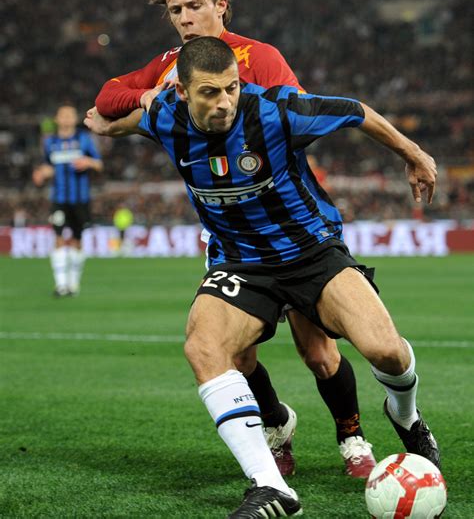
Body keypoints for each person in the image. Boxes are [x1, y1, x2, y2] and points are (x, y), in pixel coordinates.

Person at [85, 36, 440, 517]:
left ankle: (407, 418)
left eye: (231, 88)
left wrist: (413, 154)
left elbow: (356, 111)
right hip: (242, 263)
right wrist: (106, 126)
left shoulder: (276, 110)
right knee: (203, 346)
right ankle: (271, 486)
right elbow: (120, 117)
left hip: (312, 252)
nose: (225, 102)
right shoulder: (164, 116)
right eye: (210, 92)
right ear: (182, 93)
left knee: (386, 351)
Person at [92, 0, 375, 478]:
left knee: (318, 353)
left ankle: (352, 437)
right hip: (230, 239)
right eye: (175, 10)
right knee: (238, 358)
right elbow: (106, 99)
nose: (184, 18)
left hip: (287, 230)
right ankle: (276, 424)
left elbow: (296, 123)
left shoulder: (259, 57)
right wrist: (145, 97)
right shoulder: (171, 66)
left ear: (221, 5)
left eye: (194, 6)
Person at [33, 104, 103, 296]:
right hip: (59, 198)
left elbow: (99, 164)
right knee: (58, 237)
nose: (65, 118)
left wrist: (88, 162)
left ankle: (73, 284)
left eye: (69, 115)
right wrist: (41, 173)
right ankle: (61, 285)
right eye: (62, 115)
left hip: (80, 199)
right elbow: (48, 166)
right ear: (57, 119)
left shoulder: (84, 139)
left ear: (75, 119)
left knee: (76, 241)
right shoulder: (50, 142)